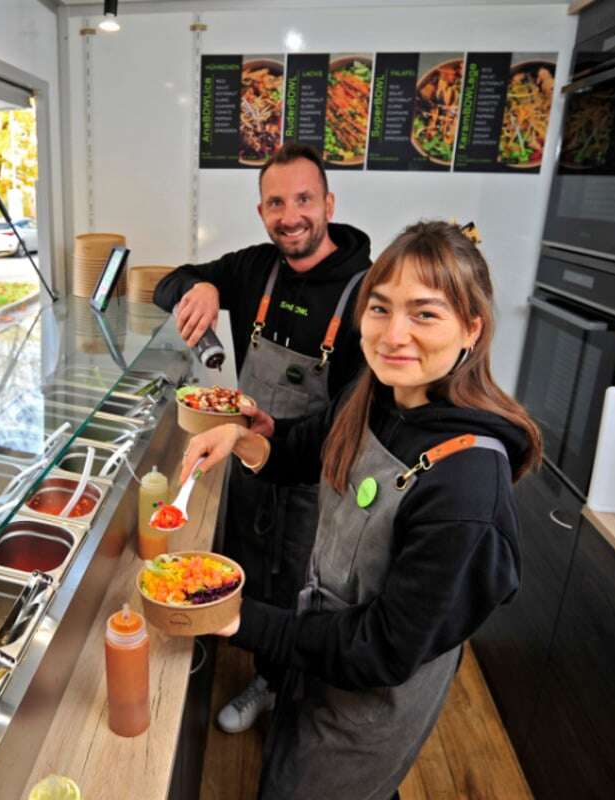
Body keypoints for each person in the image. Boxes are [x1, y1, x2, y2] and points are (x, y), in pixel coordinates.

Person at [180, 221, 542, 799]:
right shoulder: (375, 394)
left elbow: (383, 648)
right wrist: (240, 440)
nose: (394, 334)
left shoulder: (468, 488)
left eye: (425, 314)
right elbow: (304, 446)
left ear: (471, 328)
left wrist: (240, 619)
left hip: (365, 705)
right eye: (380, 309)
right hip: (315, 658)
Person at [153, 143, 371, 733]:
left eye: (303, 199)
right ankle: (255, 662)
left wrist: (280, 440)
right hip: (247, 457)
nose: (290, 215)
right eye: (276, 202)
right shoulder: (256, 266)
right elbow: (165, 285)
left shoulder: (364, 294)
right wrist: (197, 287)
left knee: (299, 583)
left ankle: (281, 688)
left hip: (315, 470)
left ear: (328, 202)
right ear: (261, 212)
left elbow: (355, 416)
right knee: (245, 560)